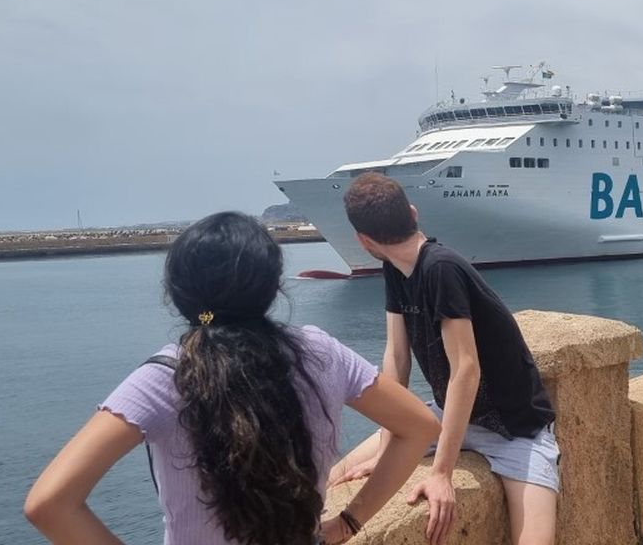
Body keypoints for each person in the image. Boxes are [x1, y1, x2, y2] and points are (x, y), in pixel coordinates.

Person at [25, 211, 440, 545]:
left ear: (178, 292)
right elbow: (419, 426)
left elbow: (49, 504)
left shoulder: (168, 376)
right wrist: (349, 520)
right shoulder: (319, 351)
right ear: (273, 288)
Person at [334, 173, 558, 545]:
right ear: (412, 212)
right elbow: (397, 357)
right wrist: (391, 450)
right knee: (339, 475)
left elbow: (466, 369)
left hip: (515, 428)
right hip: (445, 414)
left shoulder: (440, 268)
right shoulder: (395, 268)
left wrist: (441, 473)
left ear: (364, 240)